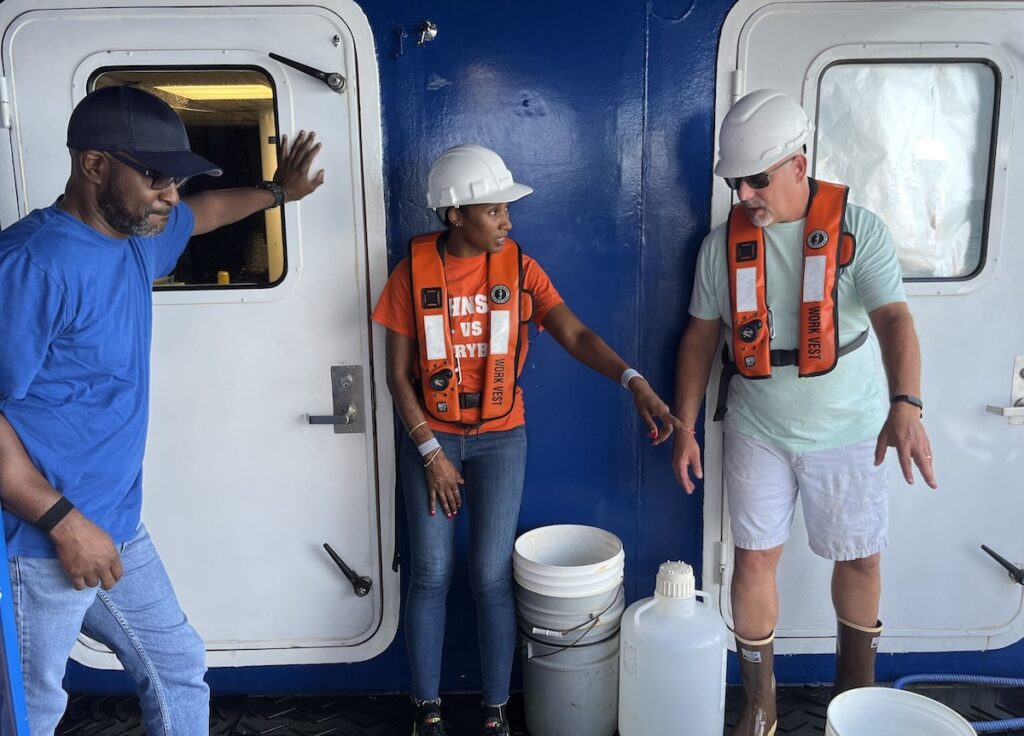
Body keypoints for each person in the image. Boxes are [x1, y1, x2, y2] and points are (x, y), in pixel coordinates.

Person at [0, 85, 324, 735]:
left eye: (175, 178)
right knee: (31, 715)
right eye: (155, 177)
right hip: (36, 544)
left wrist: (279, 193)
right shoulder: (31, 264)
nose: (170, 195)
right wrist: (64, 523)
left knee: (177, 663)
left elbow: (205, 213)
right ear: (94, 166)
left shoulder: (136, 236)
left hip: (114, 523)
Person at [371, 144, 680, 736]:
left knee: (490, 573)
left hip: (500, 440)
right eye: (495, 211)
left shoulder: (520, 269)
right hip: (429, 440)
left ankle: (494, 711)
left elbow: (574, 333)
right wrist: (430, 453)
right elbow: (396, 376)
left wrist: (632, 379)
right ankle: (427, 709)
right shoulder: (411, 273)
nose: (508, 222)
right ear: (457, 214)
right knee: (431, 572)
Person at [670, 90, 937, 736]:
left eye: (757, 180)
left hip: (849, 428)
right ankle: (759, 707)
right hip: (758, 427)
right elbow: (701, 338)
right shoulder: (720, 248)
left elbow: (895, 319)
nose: (743, 196)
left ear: (798, 164)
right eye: (736, 183)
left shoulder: (857, 231)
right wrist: (684, 423)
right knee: (754, 561)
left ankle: (854, 698)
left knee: (861, 559)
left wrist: (906, 404)